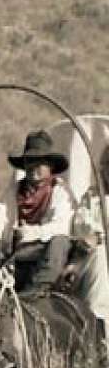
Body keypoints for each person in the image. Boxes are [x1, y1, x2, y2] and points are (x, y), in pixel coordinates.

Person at [0, 130, 77, 293]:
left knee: (59, 242)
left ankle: (36, 292)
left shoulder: (60, 192)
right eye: (29, 162)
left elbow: (61, 226)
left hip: (45, 258)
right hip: (16, 256)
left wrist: (33, 233)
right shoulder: (16, 190)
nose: (33, 167)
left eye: (38, 162)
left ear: (50, 166)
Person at [69, 145, 109, 347]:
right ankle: (98, 334)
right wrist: (92, 236)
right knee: (99, 261)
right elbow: (80, 224)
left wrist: (101, 236)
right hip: (91, 261)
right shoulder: (93, 197)